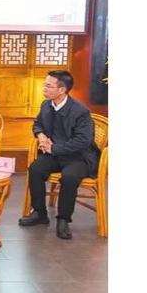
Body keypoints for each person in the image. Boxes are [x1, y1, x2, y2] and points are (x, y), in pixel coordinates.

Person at [18, 70, 100, 240]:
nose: (44, 88)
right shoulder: (46, 105)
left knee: (69, 177)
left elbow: (83, 141)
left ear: (62, 90)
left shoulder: (81, 112)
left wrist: (54, 148)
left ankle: (63, 219)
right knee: (35, 169)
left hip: (79, 157)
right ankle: (40, 213)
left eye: (48, 86)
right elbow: (37, 124)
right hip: (54, 154)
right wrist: (41, 135)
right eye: (45, 84)